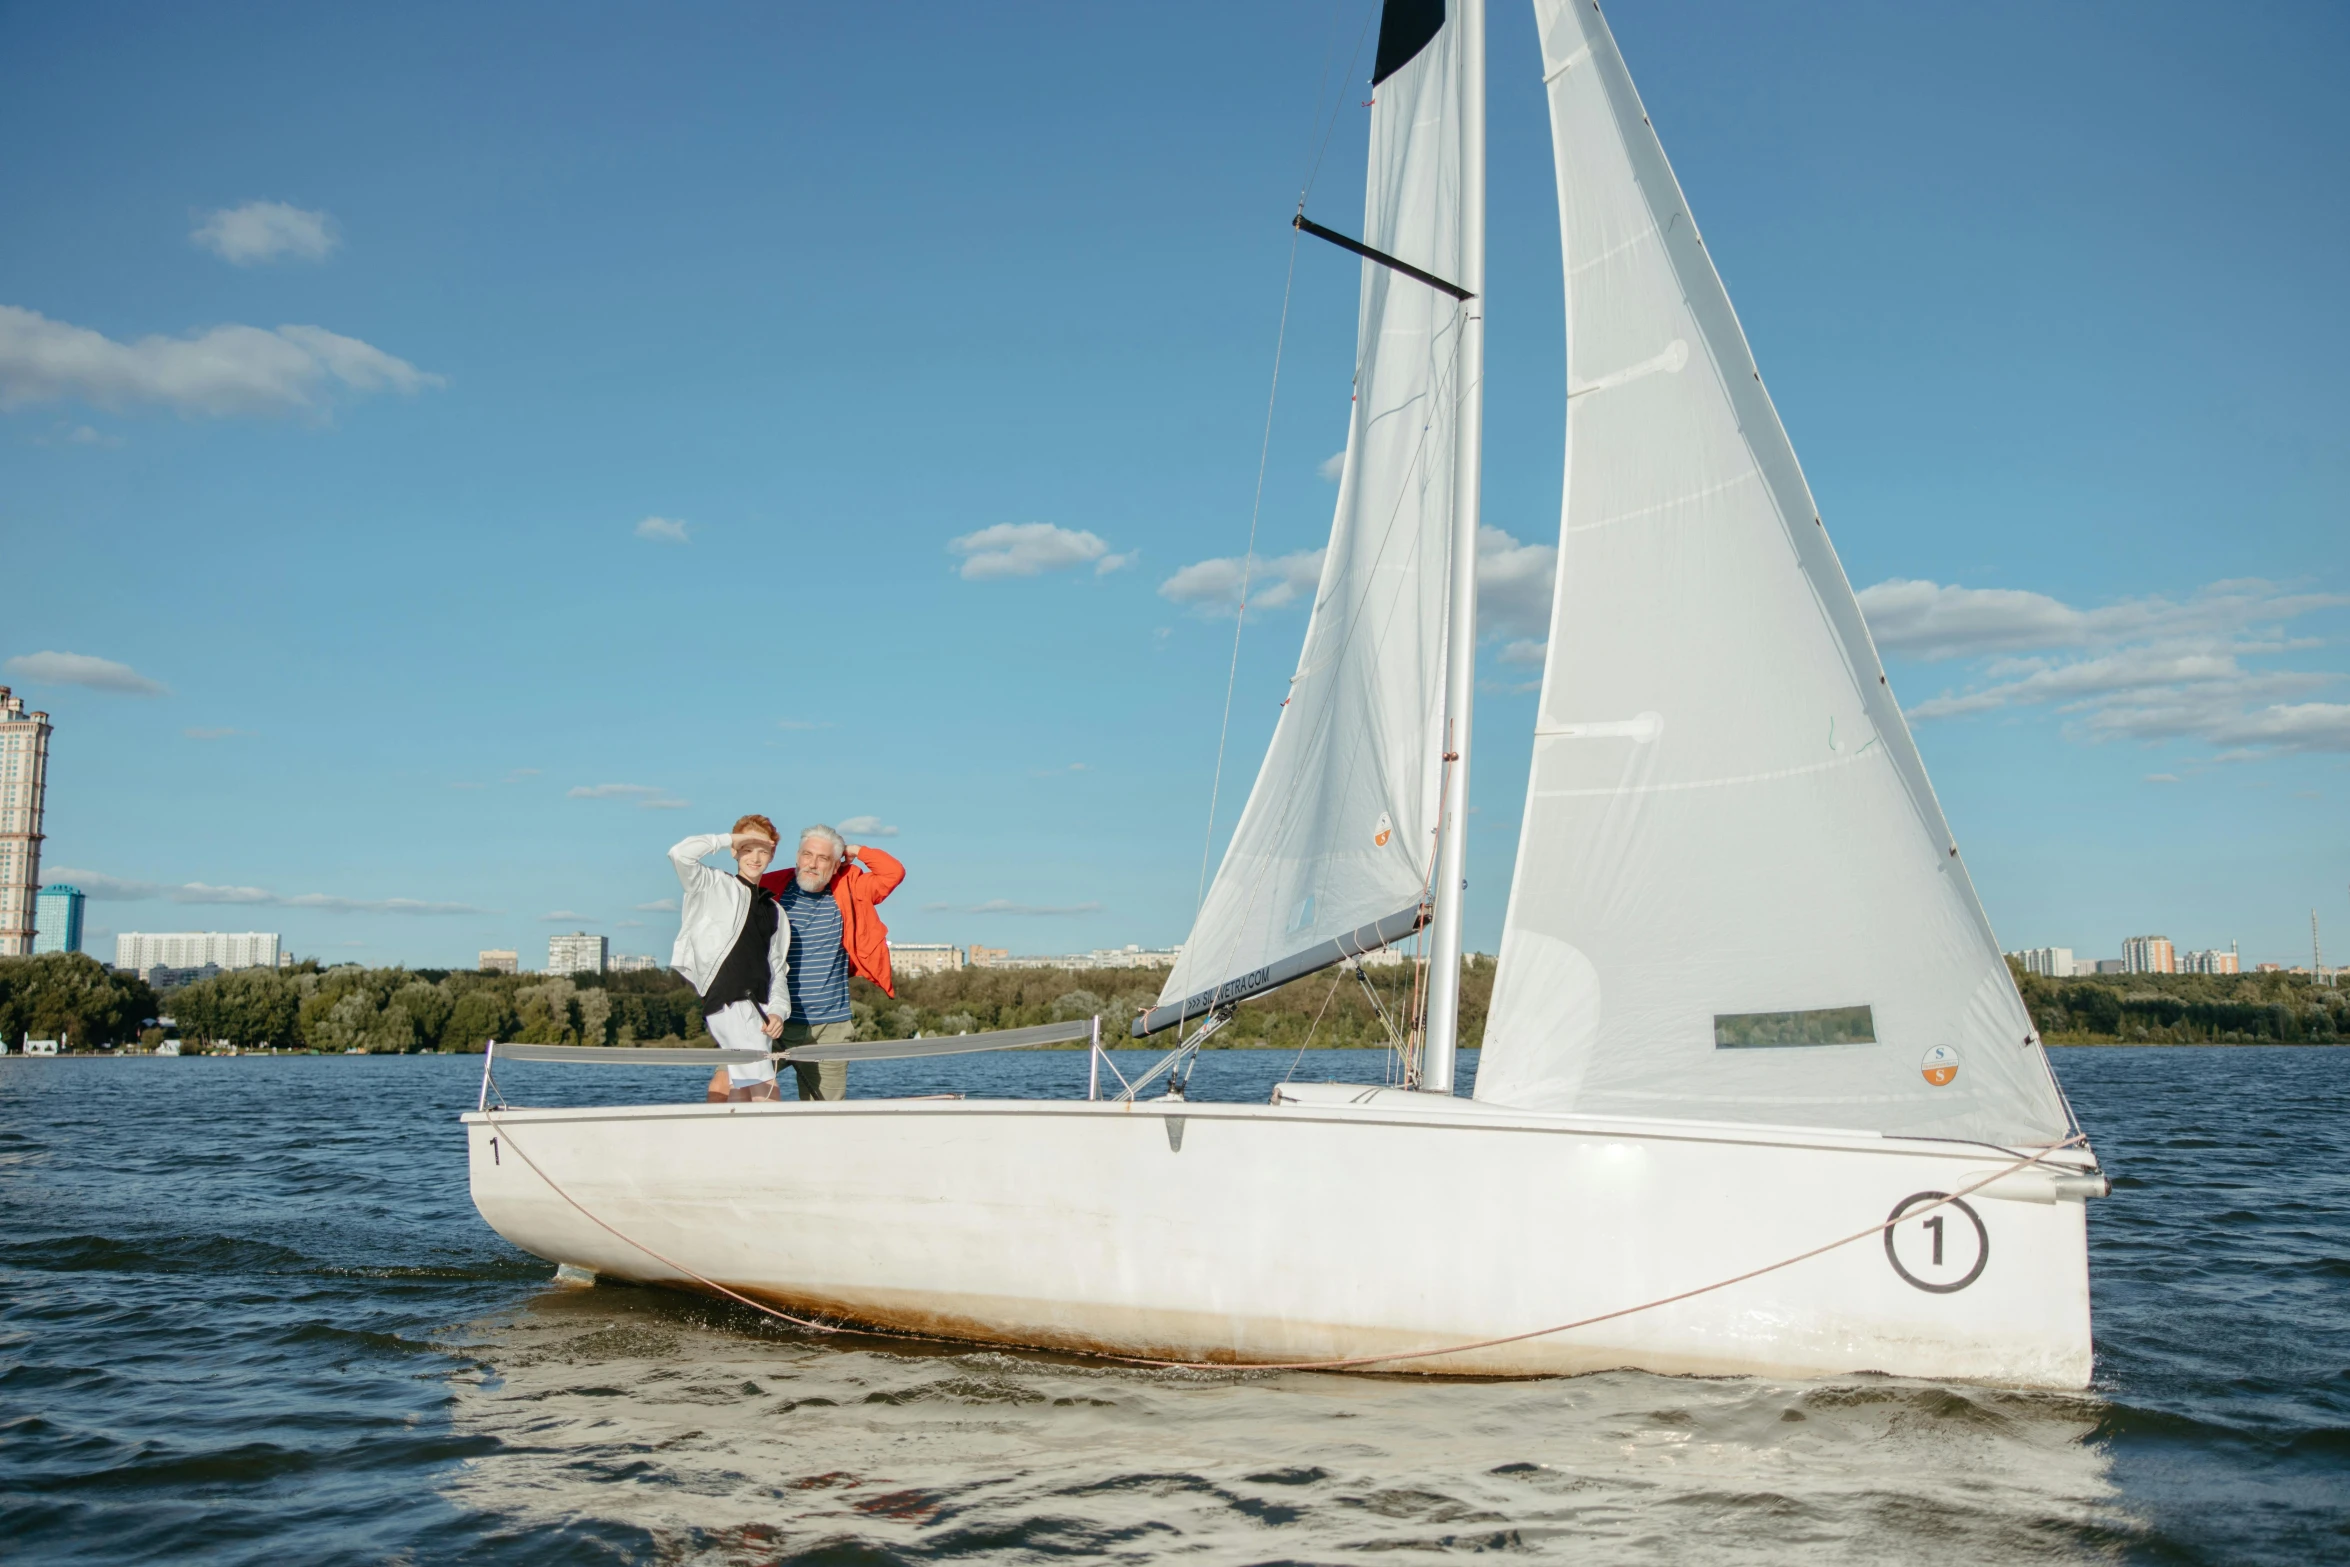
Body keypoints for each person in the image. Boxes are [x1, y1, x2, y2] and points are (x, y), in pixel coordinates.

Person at [760, 824, 904, 1100]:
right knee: (732, 1087)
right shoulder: (770, 887)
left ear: (836, 865)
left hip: (829, 1027)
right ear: (797, 856)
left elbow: (893, 872)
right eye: (806, 854)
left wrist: (856, 851)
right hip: (772, 1021)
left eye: (823, 858)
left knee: (823, 1114)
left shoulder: (851, 887)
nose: (812, 864)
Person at [668, 816, 793, 1102]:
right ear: (735, 851)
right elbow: (680, 854)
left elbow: (777, 970)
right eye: (747, 848)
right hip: (727, 999)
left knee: (742, 1087)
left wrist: (778, 1011)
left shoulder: (775, 911)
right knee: (765, 1088)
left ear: (772, 855)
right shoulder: (712, 884)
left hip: (760, 1010)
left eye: (763, 850)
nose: (755, 857)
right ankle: (773, 1144)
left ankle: (730, 1142)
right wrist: (727, 839)